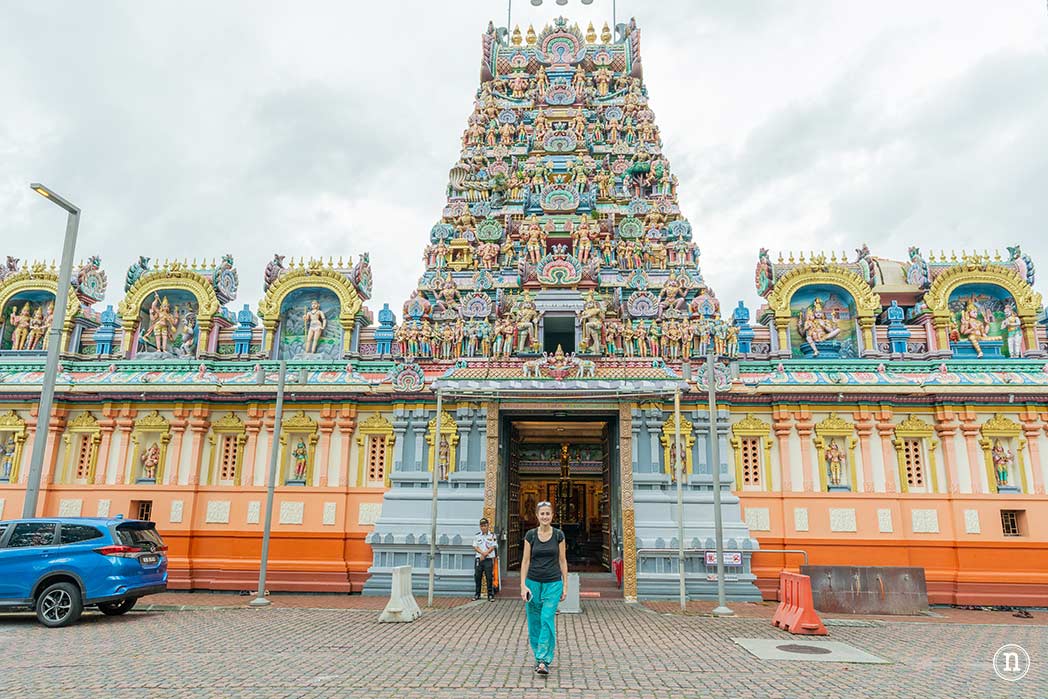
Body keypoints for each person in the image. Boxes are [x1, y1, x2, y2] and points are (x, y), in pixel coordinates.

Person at [519, 501, 568, 676]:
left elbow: (562, 560)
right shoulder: (530, 535)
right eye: (542, 514)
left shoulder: (559, 535)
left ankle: (543, 659)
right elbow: (525, 561)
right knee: (534, 622)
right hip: (533, 583)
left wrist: (565, 585)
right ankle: (538, 654)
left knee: (547, 618)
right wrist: (523, 585)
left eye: (548, 513)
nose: (545, 517)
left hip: (553, 583)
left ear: (552, 515)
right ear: (537, 516)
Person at [472, 518, 498, 601]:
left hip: (488, 559)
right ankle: (477, 594)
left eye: (485, 526)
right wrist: (482, 553)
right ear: (480, 527)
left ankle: (490, 595)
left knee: (489, 577)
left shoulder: (492, 535)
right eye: (482, 526)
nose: (483, 528)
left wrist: (486, 554)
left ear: (488, 526)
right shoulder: (477, 536)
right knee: (477, 576)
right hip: (479, 559)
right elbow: (475, 546)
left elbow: (493, 546)